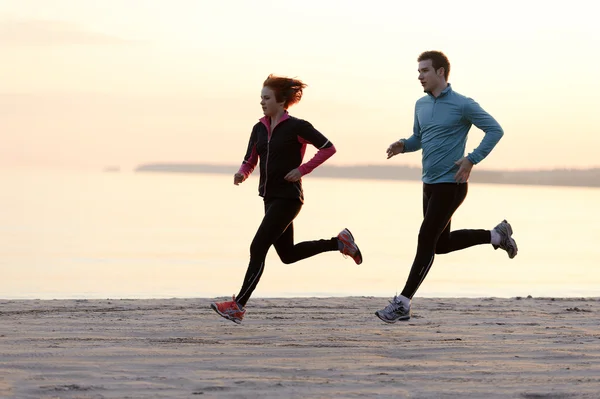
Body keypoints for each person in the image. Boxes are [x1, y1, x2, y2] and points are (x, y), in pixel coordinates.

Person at [375, 51, 518, 324]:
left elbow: (495, 130)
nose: (420, 76)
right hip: (428, 185)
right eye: (418, 71)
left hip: (451, 185)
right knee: (439, 245)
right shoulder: (420, 104)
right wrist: (403, 145)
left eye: (425, 71)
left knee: (425, 239)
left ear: (441, 72)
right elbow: (420, 137)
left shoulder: (463, 104)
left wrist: (471, 159)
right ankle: (497, 236)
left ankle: (402, 302)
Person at [211, 74, 363, 324]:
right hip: (269, 198)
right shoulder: (258, 128)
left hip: (289, 198)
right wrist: (242, 173)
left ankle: (238, 306)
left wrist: (302, 170)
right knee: (288, 255)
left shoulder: (297, 127)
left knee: (257, 247)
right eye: (260, 98)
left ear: (281, 101)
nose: (262, 102)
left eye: (267, 98)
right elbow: (250, 159)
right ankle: (339, 243)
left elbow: (328, 148)